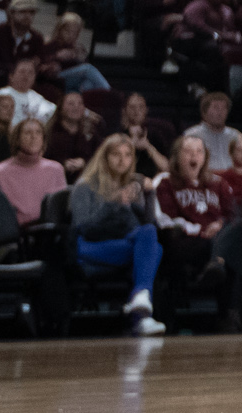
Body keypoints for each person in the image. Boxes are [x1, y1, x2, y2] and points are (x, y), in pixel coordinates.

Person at [72, 133, 166, 335]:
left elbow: (147, 227)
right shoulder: (84, 186)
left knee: (150, 238)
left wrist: (150, 196)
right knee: (153, 251)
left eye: (127, 155)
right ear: (104, 157)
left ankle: (141, 308)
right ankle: (141, 303)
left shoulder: (133, 186)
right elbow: (84, 228)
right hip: (90, 247)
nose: (122, 160)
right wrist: (113, 203)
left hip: (123, 244)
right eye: (116, 154)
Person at [152, 133, 242, 327]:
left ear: (205, 157)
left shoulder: (218, 183)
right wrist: (198, 229)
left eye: (199, 152)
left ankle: (217, 263)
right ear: (177, 156)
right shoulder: (166, 182)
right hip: (185, 242)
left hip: (215, 239)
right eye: (188, 152)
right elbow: (165, 219)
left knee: (238, 228)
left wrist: (219, 224)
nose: (194, 156)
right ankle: (229, 314)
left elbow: (232, 215)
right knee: (231, 253)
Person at [0, 117, 66, 225]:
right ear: (17, 139)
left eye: (38, 132)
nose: (34, 137)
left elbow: (62, 211)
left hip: (49, 234)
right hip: (12, 235)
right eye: (28, 133)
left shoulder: (56, 169)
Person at [44, 91, 103, 177]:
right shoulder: (49, 133)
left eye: (80, 103)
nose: (76, 107)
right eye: (71, 104)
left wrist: (84, 162)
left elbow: (100, 156)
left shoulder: (91, 133)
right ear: (61, 108)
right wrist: (62, 164)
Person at [183, 91, 238, 171]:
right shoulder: (191, 135)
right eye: (216, 108)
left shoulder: (235, 135)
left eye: (224, 108)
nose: (220, 112)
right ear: (204, 112)